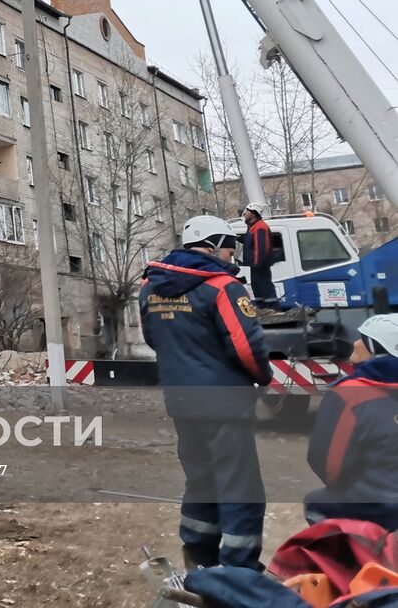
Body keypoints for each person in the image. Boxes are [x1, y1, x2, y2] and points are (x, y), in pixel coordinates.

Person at [140, 215, 272, 572]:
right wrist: (263, 376)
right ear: (213, 245)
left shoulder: (150, 288)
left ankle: (199, 553)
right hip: (225, 402)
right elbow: (246, 346)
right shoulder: (222, 287)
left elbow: (153, 337)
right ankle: (239, 568)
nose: (232, 257)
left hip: (182, 400)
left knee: (201, 479)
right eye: (230, 248)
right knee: (240, 484)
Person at [304, 314, 398, 530]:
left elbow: (328, 466)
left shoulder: (349, 394)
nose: (355, 343)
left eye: (364, 340)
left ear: (380, 350)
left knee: (317, 502)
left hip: (380, 510)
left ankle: (351, 561)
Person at [241, 202, 280, 307]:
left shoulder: (260, 227)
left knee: (266, 290)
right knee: (258, 291)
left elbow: (262, 247)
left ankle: (272, 311)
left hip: (260, 266)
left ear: (254, 214)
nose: (244, 213)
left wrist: (257, 263)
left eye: (247, 211)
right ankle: (263, 310)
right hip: (255, 266)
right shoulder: (252, 226)